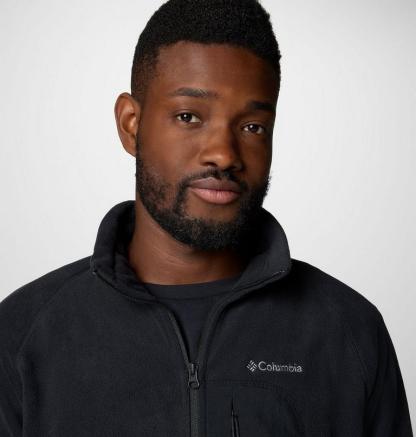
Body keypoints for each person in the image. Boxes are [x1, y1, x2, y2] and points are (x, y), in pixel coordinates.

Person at [0, 0, 413, 435]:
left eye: (252, 126)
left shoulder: (347, 331)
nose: (223, 154)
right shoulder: (24, 337)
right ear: (131, 124)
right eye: (189, 117)